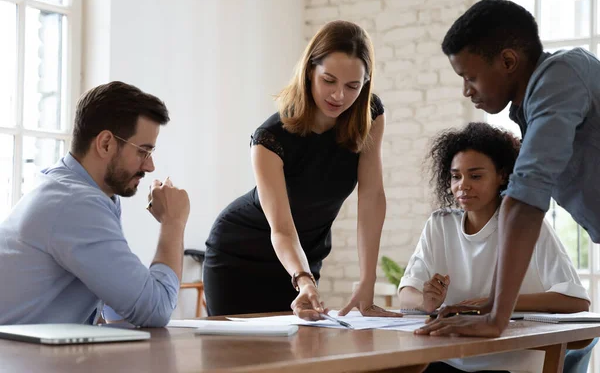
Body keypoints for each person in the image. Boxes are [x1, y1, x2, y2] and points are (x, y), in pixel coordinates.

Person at [416, 0, 600, 337]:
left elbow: (524, 199)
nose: (465, 91)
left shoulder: (561, 77)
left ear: (508, 61)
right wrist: (491, 302)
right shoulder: (529, 108)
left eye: (470, 76)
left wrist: (495, 318)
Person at [204, 20, 399, 320]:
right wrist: (303, 279)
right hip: (241, 255)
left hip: (305, 255)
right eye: (329, 80)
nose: (339, 96)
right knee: (238, 361)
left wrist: (367, 282)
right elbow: (281, 228)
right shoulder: (270, 138)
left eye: (352, 86)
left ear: (366, 83)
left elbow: (372, 196)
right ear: (309, 71)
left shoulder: (370, 116)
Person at [399, 122, 589, 372]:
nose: (462, 186)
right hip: (449, 358)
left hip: (511, 361)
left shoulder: (527, 225)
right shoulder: (440, 224)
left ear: (501, 175)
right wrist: (427, 302)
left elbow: (575, 301)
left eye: (475, 176)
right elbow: (405, 294)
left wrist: (495, 302)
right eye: (456, 176)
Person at [0, 81, 190, 327]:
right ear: (106, 144)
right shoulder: (75, 204)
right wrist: (173, 222)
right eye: (143, 151)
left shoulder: (71, 188)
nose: (150, 166)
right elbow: (155, 310)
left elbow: (119, 310)